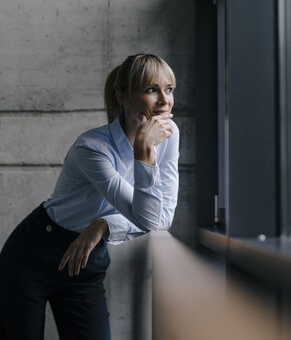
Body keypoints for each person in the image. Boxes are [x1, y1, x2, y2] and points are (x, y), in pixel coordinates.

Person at [0, 53, 179, 340]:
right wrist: (144, 149)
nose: (164, 101)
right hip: (32, 256)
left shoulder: (169, 134)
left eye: (168, 89)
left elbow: (161, 218)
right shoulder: (92, 148)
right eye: (150, 90)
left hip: (86, 259)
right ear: (123, 97)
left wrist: (103, 225)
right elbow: (147, 217)